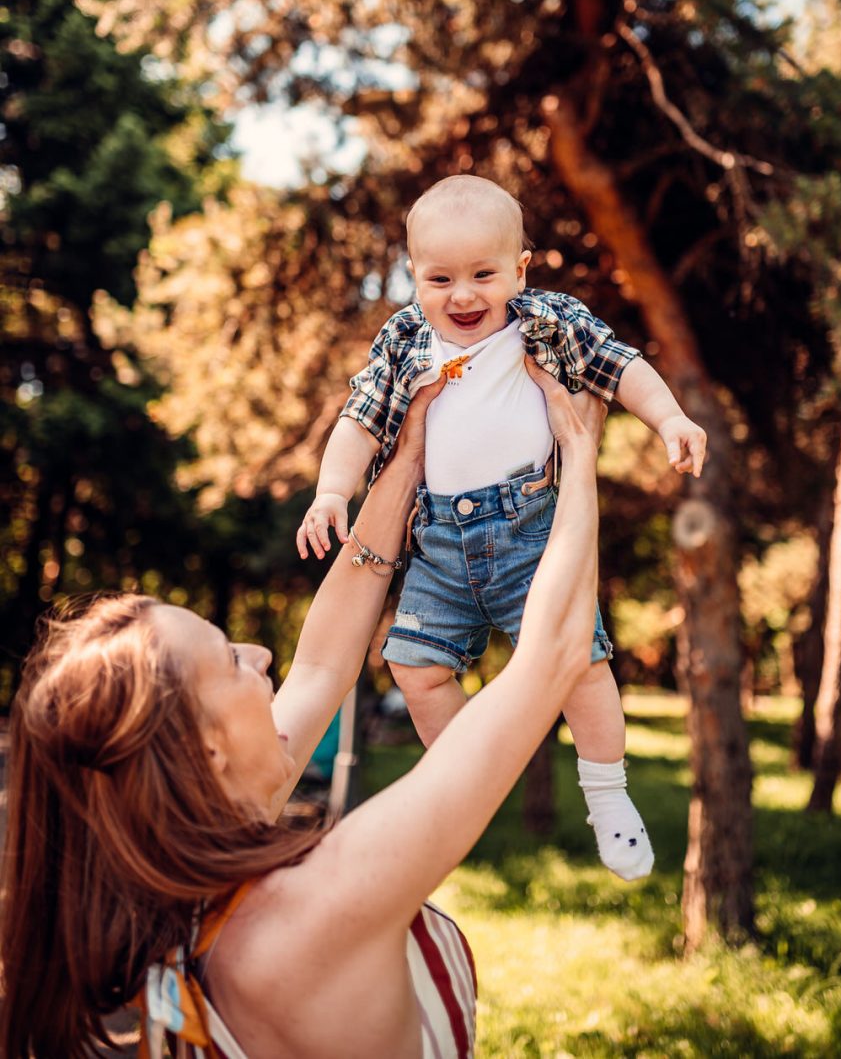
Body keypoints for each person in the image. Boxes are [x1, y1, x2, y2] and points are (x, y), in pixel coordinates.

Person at [1, 362, 605, 1059]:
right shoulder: (318, 904)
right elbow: (555, 652)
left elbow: (323, 663)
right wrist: (578, 450)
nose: (261, 654)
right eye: (229, 659)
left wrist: (408, 460)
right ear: (204, 752)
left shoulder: (173, 894)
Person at [297, 175, 706, 882]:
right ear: (414, 277)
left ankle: (607, 796)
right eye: (441, 277)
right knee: (415, 667)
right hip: (438, 548)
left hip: (530, 531)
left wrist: (668, 417)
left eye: (484, 275)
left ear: (520, 268)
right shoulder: (403, 338)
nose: (463, 296)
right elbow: (360, 419)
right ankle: (470, 782)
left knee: (581, 661)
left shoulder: (550, 321)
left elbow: (621, 365)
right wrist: (333, 491)